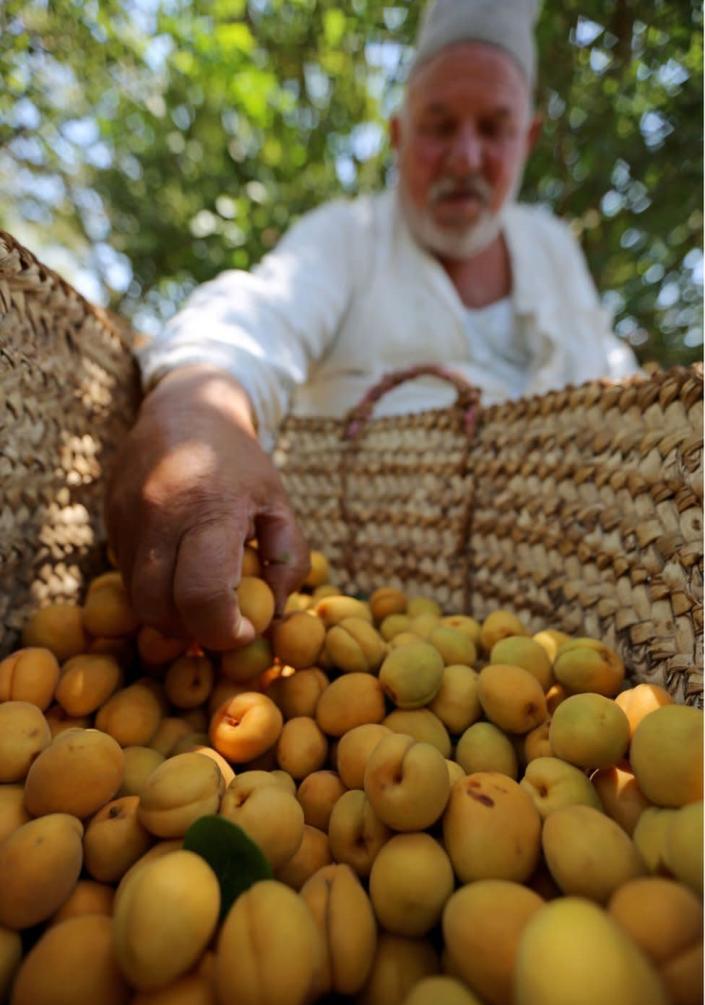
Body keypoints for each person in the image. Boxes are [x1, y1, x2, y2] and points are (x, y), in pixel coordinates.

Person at [107, 0, 639, 651]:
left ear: (526, 139)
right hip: (358, 597)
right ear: (397, 134)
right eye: (438, 126)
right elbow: (257, 314)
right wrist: (196, 411)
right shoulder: (346, 237)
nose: (466, 158)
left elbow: (617, 381)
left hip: (569, 617)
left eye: (493, 128)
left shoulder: (553, 250)